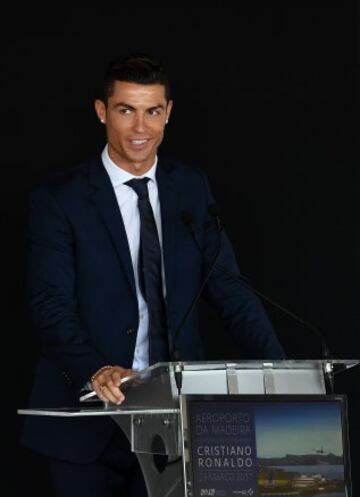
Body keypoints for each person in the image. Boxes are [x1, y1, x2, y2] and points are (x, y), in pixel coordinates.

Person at [22, 53, 285, 497]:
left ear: (168, 113)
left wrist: (280, 374)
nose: (141, 128)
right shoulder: (59, 198)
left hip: (178, 424)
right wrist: (96, 371)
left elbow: (227, 287)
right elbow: (51, 304)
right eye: (126, 110)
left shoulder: (190, 187)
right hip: (88, 427)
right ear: (102, 111)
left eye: (152, 111)